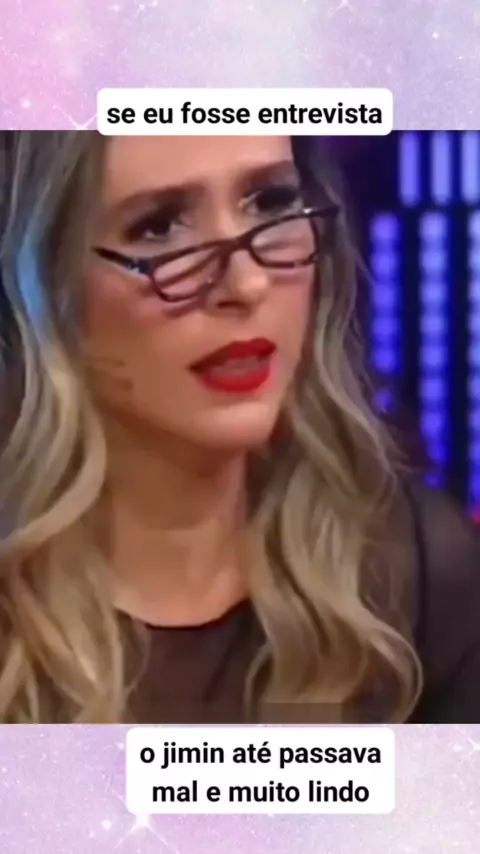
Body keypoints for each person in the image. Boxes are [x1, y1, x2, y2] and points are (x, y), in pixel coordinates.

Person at [0, 131, 479, 725]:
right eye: (159, 227)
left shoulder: (419, 579)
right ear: (36, 281)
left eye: (271, 202)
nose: (247, 285)